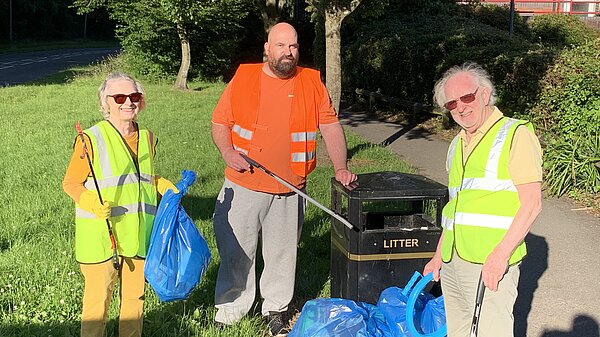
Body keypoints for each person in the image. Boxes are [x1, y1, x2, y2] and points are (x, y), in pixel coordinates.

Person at [211, 22, 357, 336]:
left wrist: (341, 167)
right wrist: (227, 152)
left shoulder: (311, 81)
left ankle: (275, 309)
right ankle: (230, 310)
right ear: (267, 48)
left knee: (282, 253)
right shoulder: (245, 76)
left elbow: (330, 127)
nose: (287, 53)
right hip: (244, 182)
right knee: (237, 251)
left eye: (292, 46)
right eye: (280, 46)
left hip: (291, 189)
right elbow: (220, 121)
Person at [423, 62, 543, 337]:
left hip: (491, 261)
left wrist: (500, 256)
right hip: (454, 260)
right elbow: (455, 208)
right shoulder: (456, 144)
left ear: (485, 95)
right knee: (459, 332)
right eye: (452, 104)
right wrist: (439, 256)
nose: (461, 107)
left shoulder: (515, 134)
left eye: (467, 97)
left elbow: (532, 203)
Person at [62, 72, 178, 337]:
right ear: (106, 103)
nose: (128, 102)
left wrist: (159, 183)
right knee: (97, 304)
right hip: (102, 237)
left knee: (134, 302)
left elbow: (138, 177)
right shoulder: (91, 139)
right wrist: (90, 201)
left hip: (137, 236)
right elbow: (70, 183)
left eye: (134, 97)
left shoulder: (147, 136)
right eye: (120, 97)